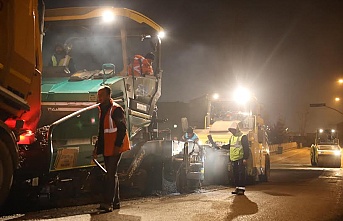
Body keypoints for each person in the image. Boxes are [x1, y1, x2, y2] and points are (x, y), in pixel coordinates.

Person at [93, 85, 130, 212]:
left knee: (110, 174)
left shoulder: (116, 109)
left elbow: (122, 128)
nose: (99, 98)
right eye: (98, 95)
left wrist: (117, 146)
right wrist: (97, 148)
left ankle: (108, 203)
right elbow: (102, 131)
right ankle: (115, 202)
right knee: (111, 174)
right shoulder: (102, 110)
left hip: (115, 147)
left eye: (101, 95)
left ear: (109, 95)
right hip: (108, 147)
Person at [223, 123, 250, 195]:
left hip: (240, 158)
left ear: (236, 129)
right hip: (233, 158)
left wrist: (245, 158)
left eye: (233, 130)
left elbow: (246, 148)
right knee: (235, 173)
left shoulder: (243, 136)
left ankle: (241, 188)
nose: (232, 131)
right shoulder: (232, 137)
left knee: (241, 174)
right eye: (231, 130)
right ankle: (237, 187)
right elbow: (230, 146)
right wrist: (222, 146)